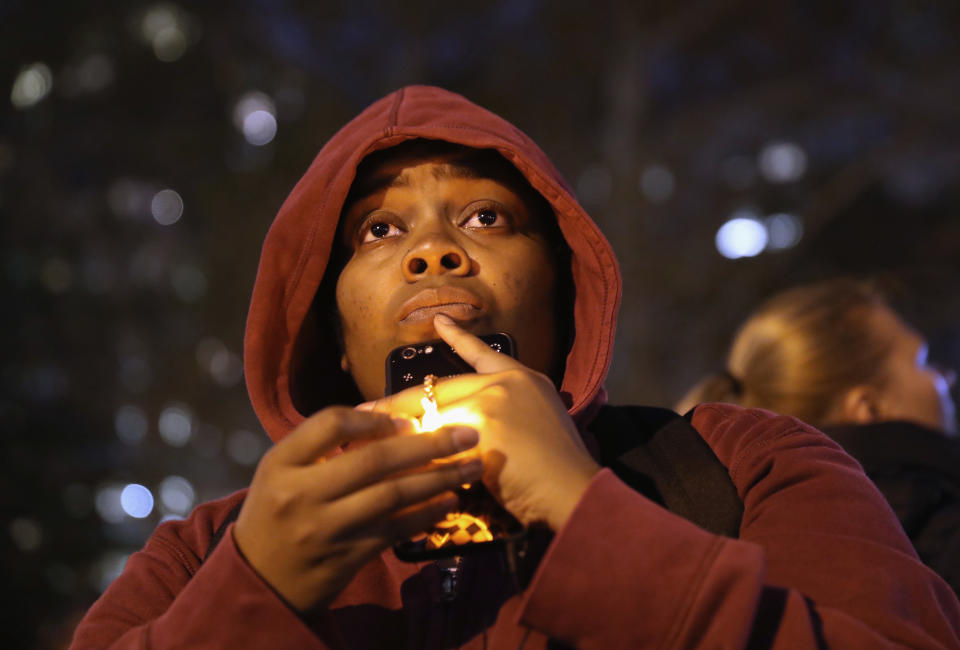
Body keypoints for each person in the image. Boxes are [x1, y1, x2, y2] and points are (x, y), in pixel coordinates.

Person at [70, 86, 960, 649]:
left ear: (566, 296)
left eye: (486, 219)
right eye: (380, 231)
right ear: (329, 334)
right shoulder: (200, 554)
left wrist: (589, 520)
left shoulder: (751, 465)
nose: (433, 254)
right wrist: (254, 594)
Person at [677, 278, 960, 595]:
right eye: (921, 362)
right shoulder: (941, 532)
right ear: (868, 408)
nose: (945, 377)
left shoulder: (767, 560)